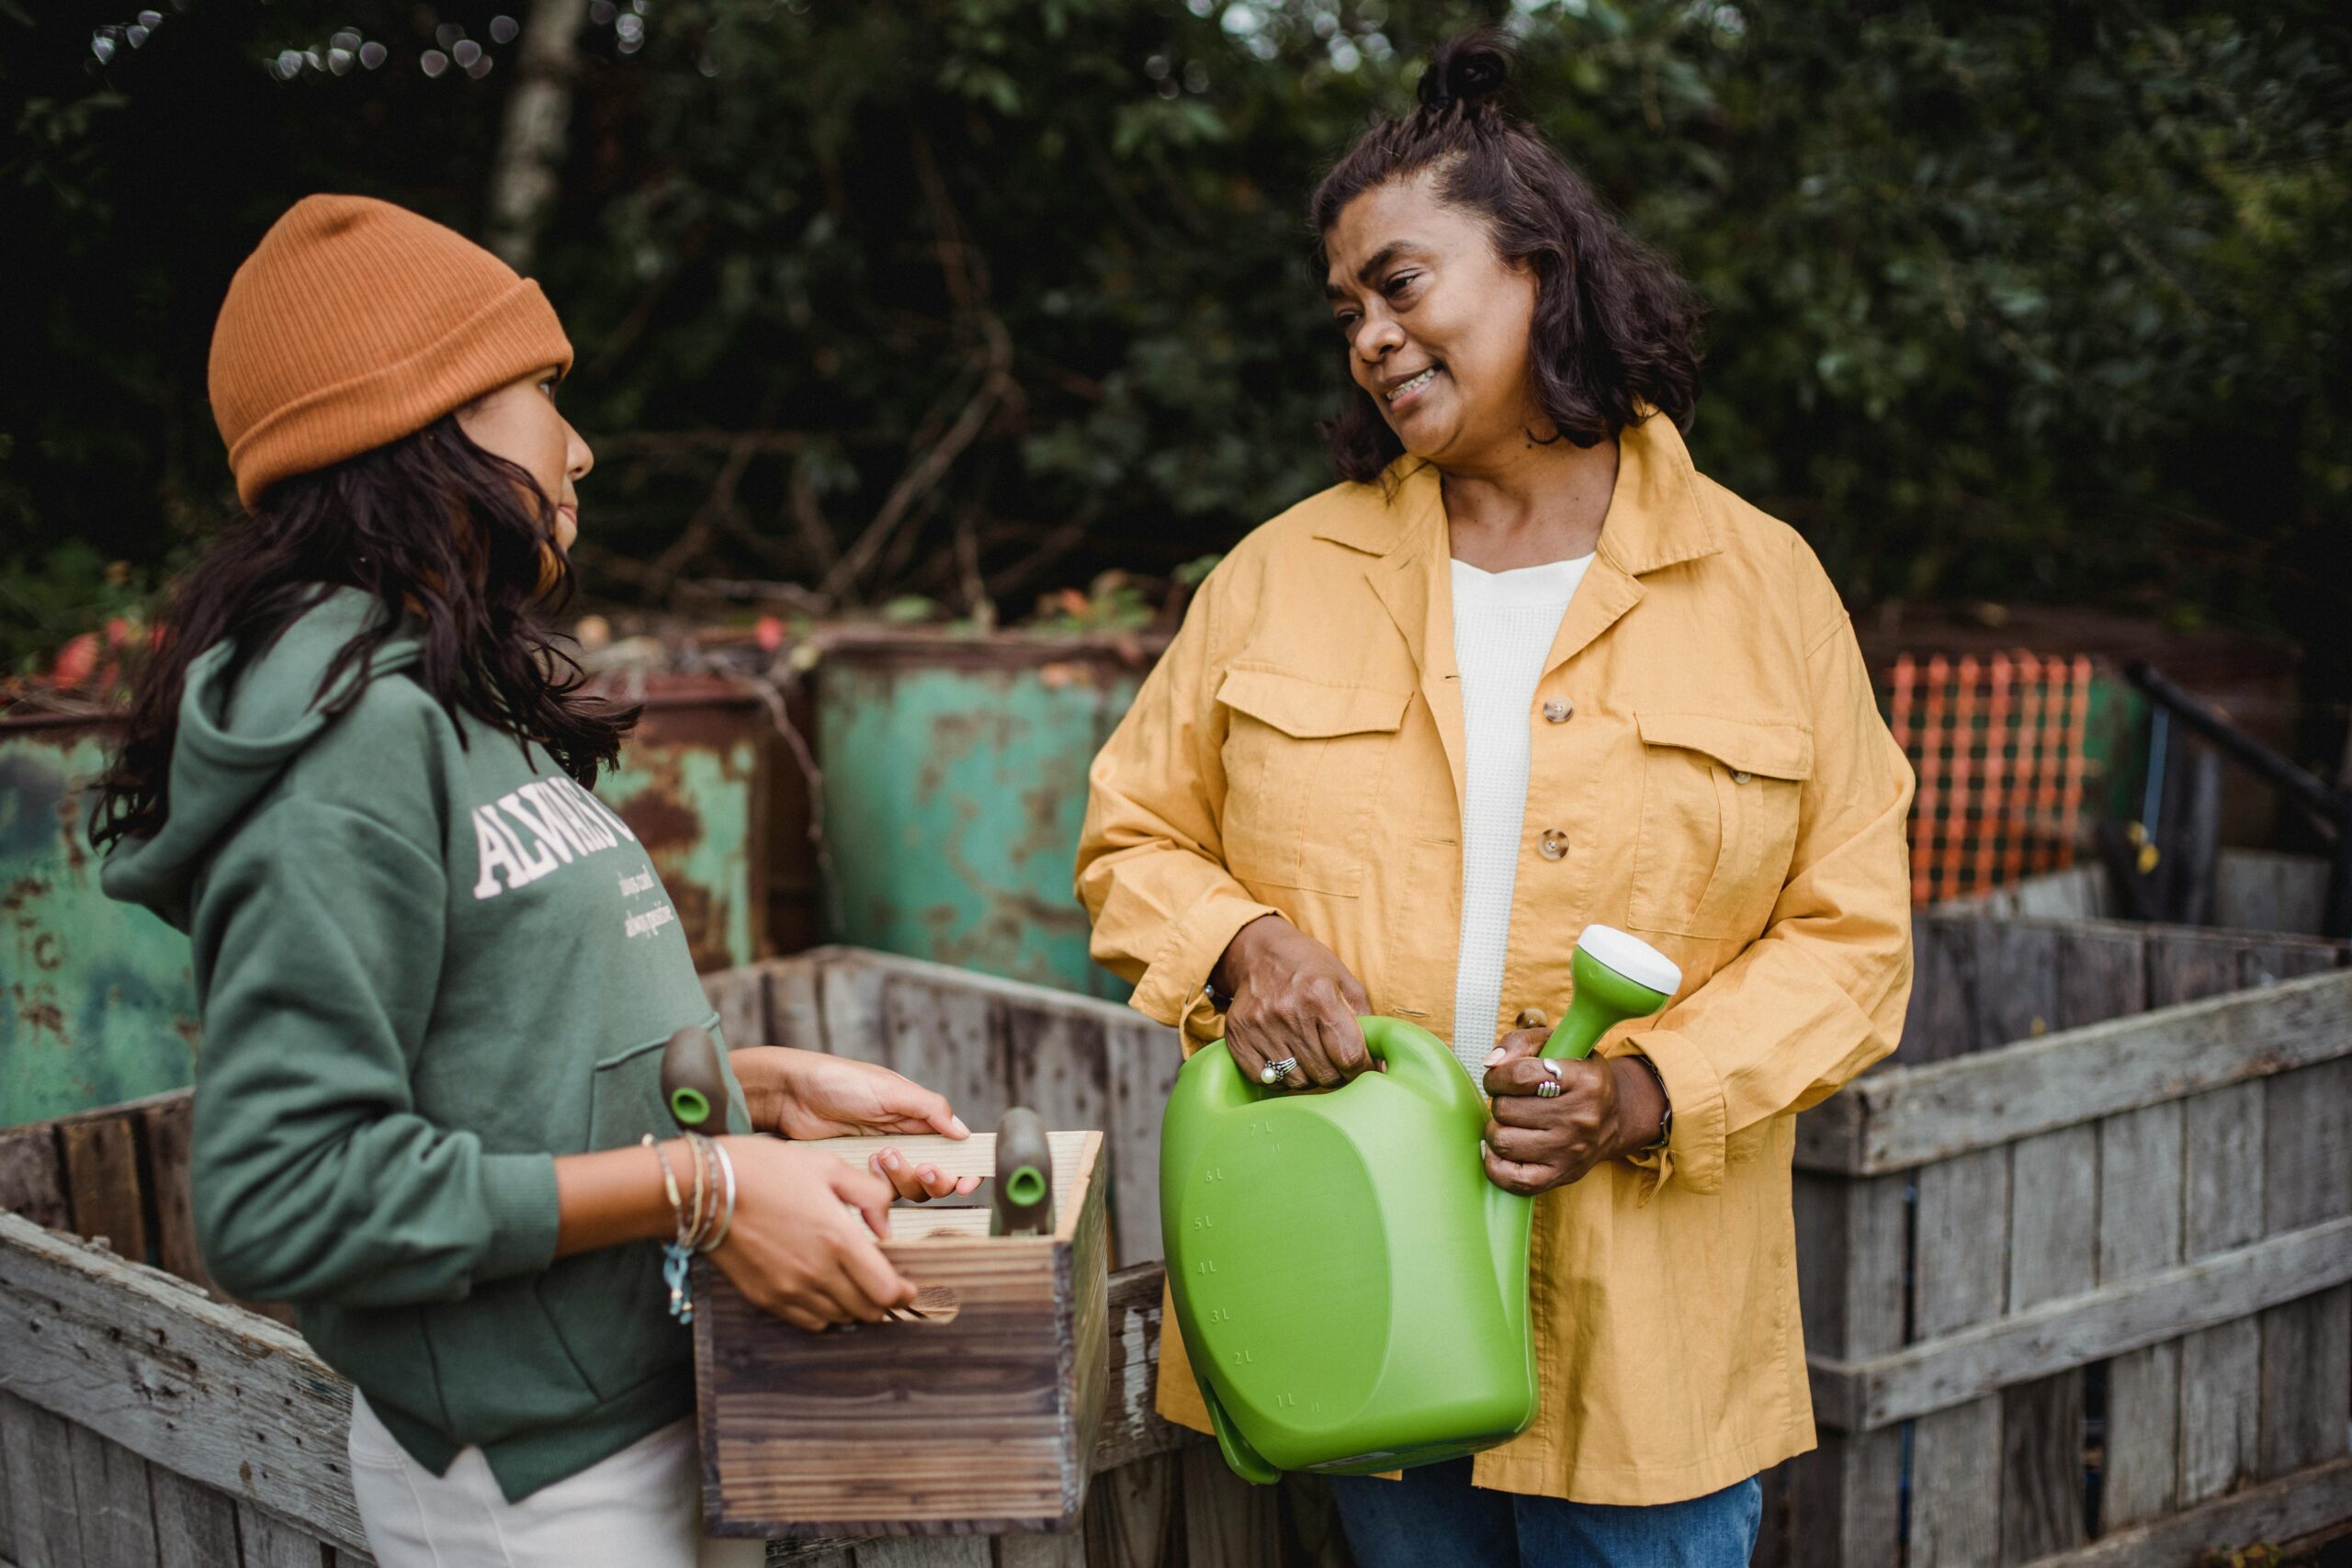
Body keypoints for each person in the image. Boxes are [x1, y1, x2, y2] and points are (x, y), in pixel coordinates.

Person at [1076, 32, 1915, 1568]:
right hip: (1360, 1287)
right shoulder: (1279, 577)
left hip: (1646, 1341)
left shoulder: (1765, 585)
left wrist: (1649, 1090)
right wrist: (1248, 947)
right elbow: (1133, 834)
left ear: (1540, 270)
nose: (1371, 339)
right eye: (1346, 312)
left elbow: (1854, 942)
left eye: (1401, 285)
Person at [95, 195, 978, 1568]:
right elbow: (286, 1195)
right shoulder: (347, 746)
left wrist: (757, 1090)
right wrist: (707, 1182)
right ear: (422, 420)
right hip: (539, 1495)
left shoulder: (453, 699)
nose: (579, 445)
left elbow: (493, 1045)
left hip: (643, 1413)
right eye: (539, 394)